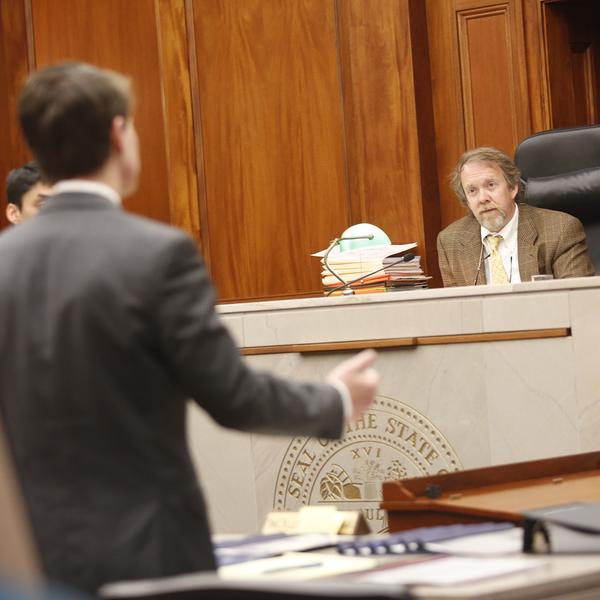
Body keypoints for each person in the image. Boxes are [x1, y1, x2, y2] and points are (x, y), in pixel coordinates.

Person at [0, 62, 379, 593]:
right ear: (118, 134)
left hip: (22, 563)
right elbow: (233, 397)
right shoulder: (156, 254)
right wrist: (336, 399)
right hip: (148, 556)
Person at [437, 146, 596, 286]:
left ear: (513, 188)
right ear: (466, 200)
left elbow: (577, 305)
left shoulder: (560, 230)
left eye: (491, 185)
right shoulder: (451, 241)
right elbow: (457, 313)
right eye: (472, 191)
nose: (483, 198)